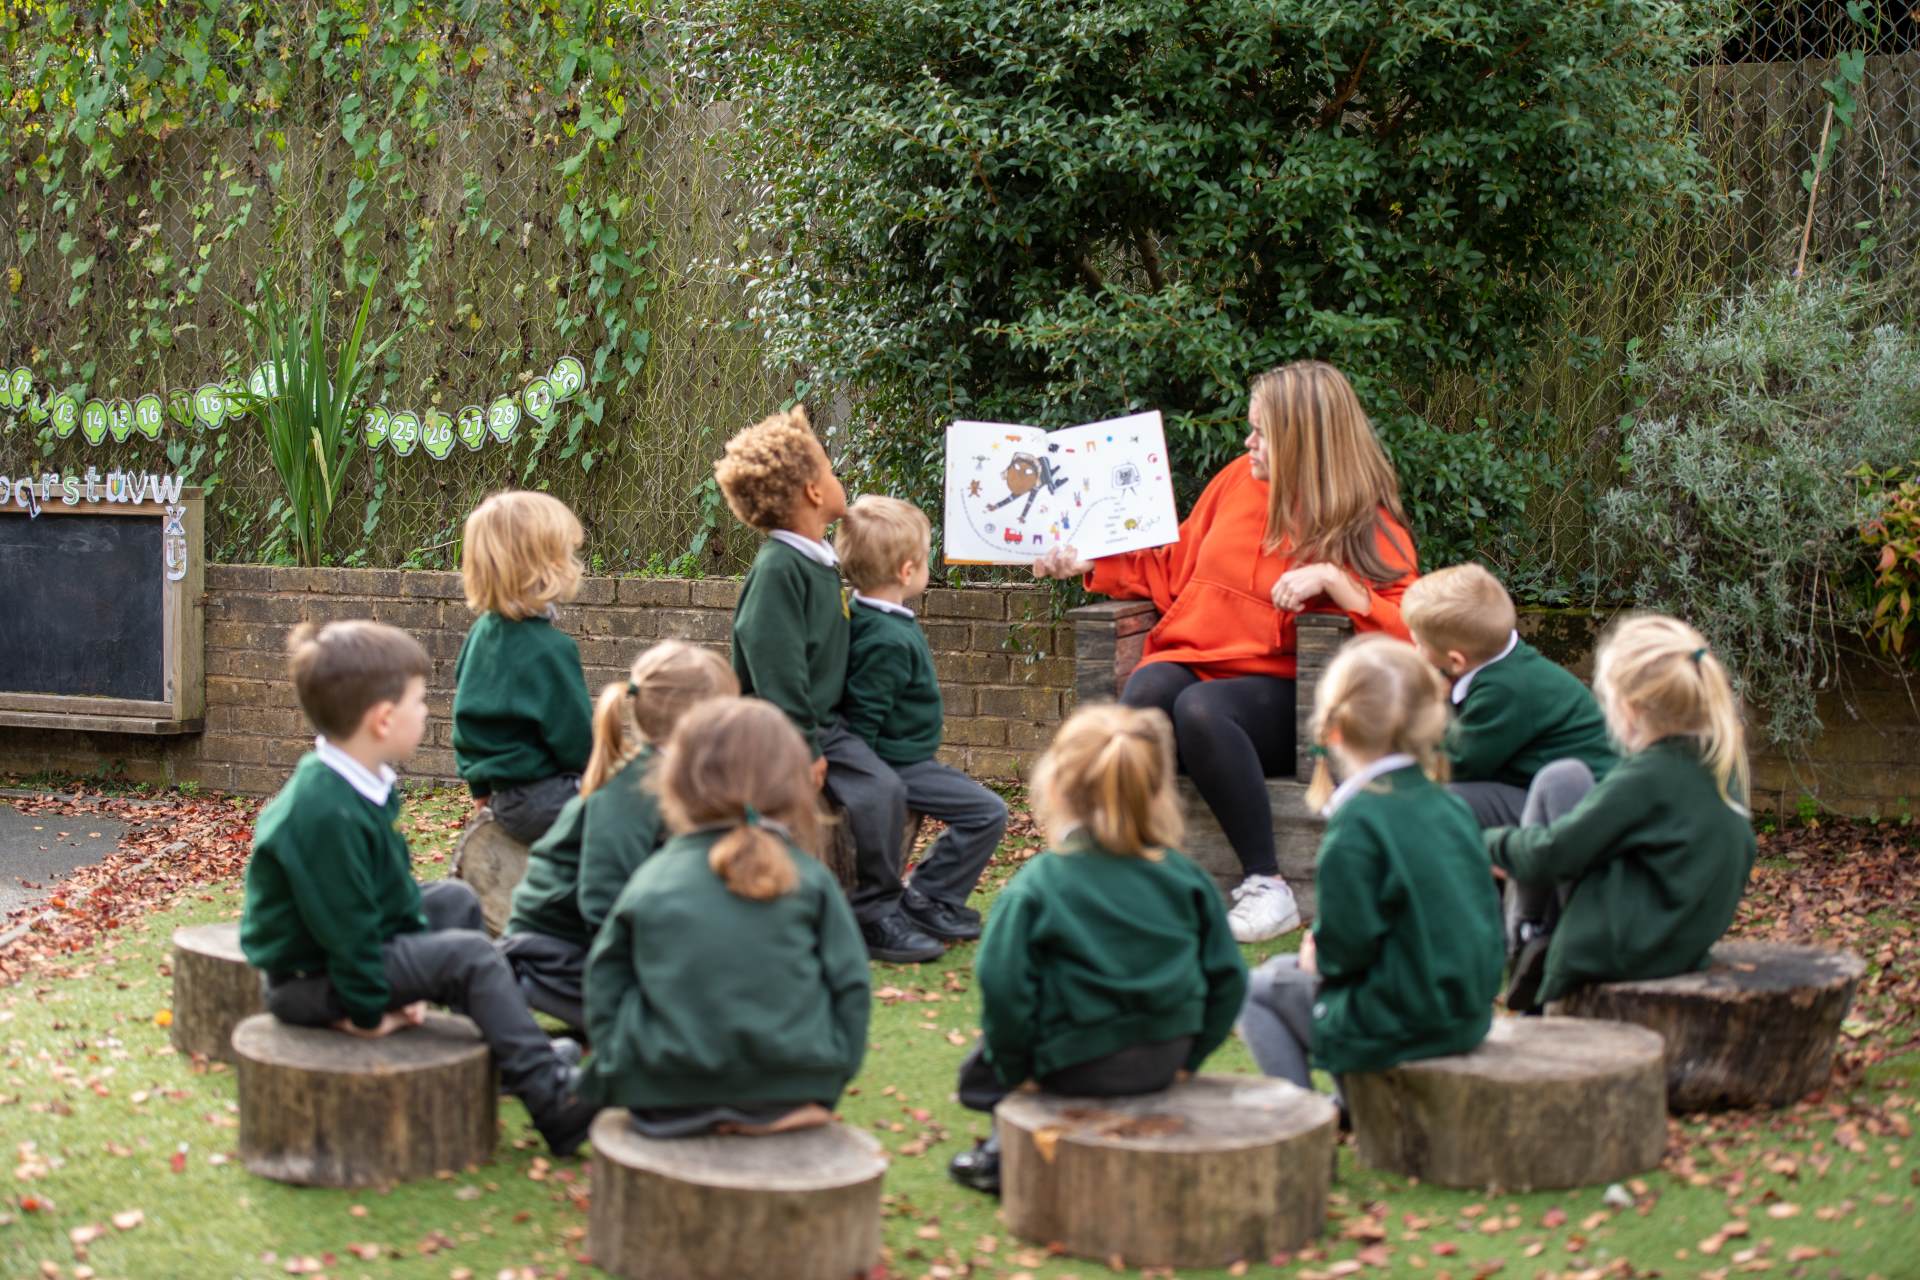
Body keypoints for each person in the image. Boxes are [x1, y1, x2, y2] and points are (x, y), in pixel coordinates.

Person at [1033, 361, 1418, 943]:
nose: (1249, 442)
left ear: (1302, 439)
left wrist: (1343, 588)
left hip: (1284, 691)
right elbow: (1173, 562)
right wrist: (1092, 561)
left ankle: (1268, 885)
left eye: (1262, 432)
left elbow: (1414, 632)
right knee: (1141, 699)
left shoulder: (1364, 520)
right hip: (1195, 658)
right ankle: (1118, 873)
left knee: (1201, 711)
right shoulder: (1236, 480)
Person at [241, 621, 596, 1155]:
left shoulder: (356, 780)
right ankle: (554, 1104)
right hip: (311, 978)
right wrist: (370, 1012)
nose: (427, 711)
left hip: (345, 954)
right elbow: (348, 929)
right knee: (470, 957)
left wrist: (410, 973)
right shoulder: (323, 812)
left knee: (453, 901)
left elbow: (388, 895)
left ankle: (496, 1056)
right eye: (419, 701)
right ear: (383, 719)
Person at [947, 704, 1247, 1197]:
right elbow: (1230, 978)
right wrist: (1191, 1056)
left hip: (1072, 1062)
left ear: (1058, 787)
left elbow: (1004, 991)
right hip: (1164, 1054)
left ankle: (1001, 1153)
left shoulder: (1038, 886)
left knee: (980, 1073)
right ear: (1155, 790)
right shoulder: (1185, 877)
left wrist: (1016, 1068)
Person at [578, 697, 872, 1137]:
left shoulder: (652, 879)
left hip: (663, 1094)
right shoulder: (812, 881)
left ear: (675, 782)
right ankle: (766, 1113)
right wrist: (830, 1076)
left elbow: (604, 982)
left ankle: (697, 1110)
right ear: (792, 785)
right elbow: (851, 986)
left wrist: (620, 1062)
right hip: (792, 1089)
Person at [716, 407, 942, 963]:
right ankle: (873, 916)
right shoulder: (780, 570)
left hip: (822, 724)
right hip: (784, 730)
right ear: (816, 492)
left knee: (885, 787)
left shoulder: (815, 563)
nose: (841, 480)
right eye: (832, 470)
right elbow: (773, 658)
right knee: (879, 792)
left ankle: (875, 904)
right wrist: (803, 743)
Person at [1238, 635, 1503, 1103]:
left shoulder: (1358, 822)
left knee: (1255, 989)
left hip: (1402, 1025)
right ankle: (1346, 1103)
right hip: (1464, 1014)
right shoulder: (1450, 806)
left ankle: (1305, 1118)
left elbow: (1345, 954)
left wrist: (1317, 953)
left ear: (1333, 730)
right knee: (1282, 972)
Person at [1486, 614, 1757, 1012]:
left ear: (1628, 709)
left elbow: (1552, 853)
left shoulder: (1648, 776)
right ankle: (1535, 935)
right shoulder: (1713, 764)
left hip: (1622, 950)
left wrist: (1486, 841)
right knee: (1564, 779)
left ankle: (1529, 943)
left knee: (1555, 793)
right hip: (1677, 940)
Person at [499, 640, 738, 1029]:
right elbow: (603, 898)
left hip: (602, 935)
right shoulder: (632, 792)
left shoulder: (673, 778)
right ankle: (537, 988)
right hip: (555, 950)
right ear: (697, 725)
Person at [836, 494, 1006, 942]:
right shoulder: (884, 638)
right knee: (988, 812)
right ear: (906, 572)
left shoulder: (872, 617)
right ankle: (928, 897)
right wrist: (869, 783)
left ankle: (930, 895)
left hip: (907, 759)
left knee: (982, 809)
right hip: (898, 765)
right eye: (926, 557)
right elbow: (864, 718)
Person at [1402, 563, 1616, 830]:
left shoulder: (1505, 689)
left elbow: (1457, 765)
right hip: (1547, 789)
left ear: (1457, 660)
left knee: (1440, 800)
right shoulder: (1506, 665)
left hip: (1576, 811)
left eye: (1420, 644)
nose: (1416, 651)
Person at [451, 490, 593, 845]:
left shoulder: (481, 635)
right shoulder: (551, 649)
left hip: (503, 799)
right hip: (547, 799)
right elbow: (576, 741)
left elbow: (467, 719)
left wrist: (480, 788)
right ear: (546, 567)